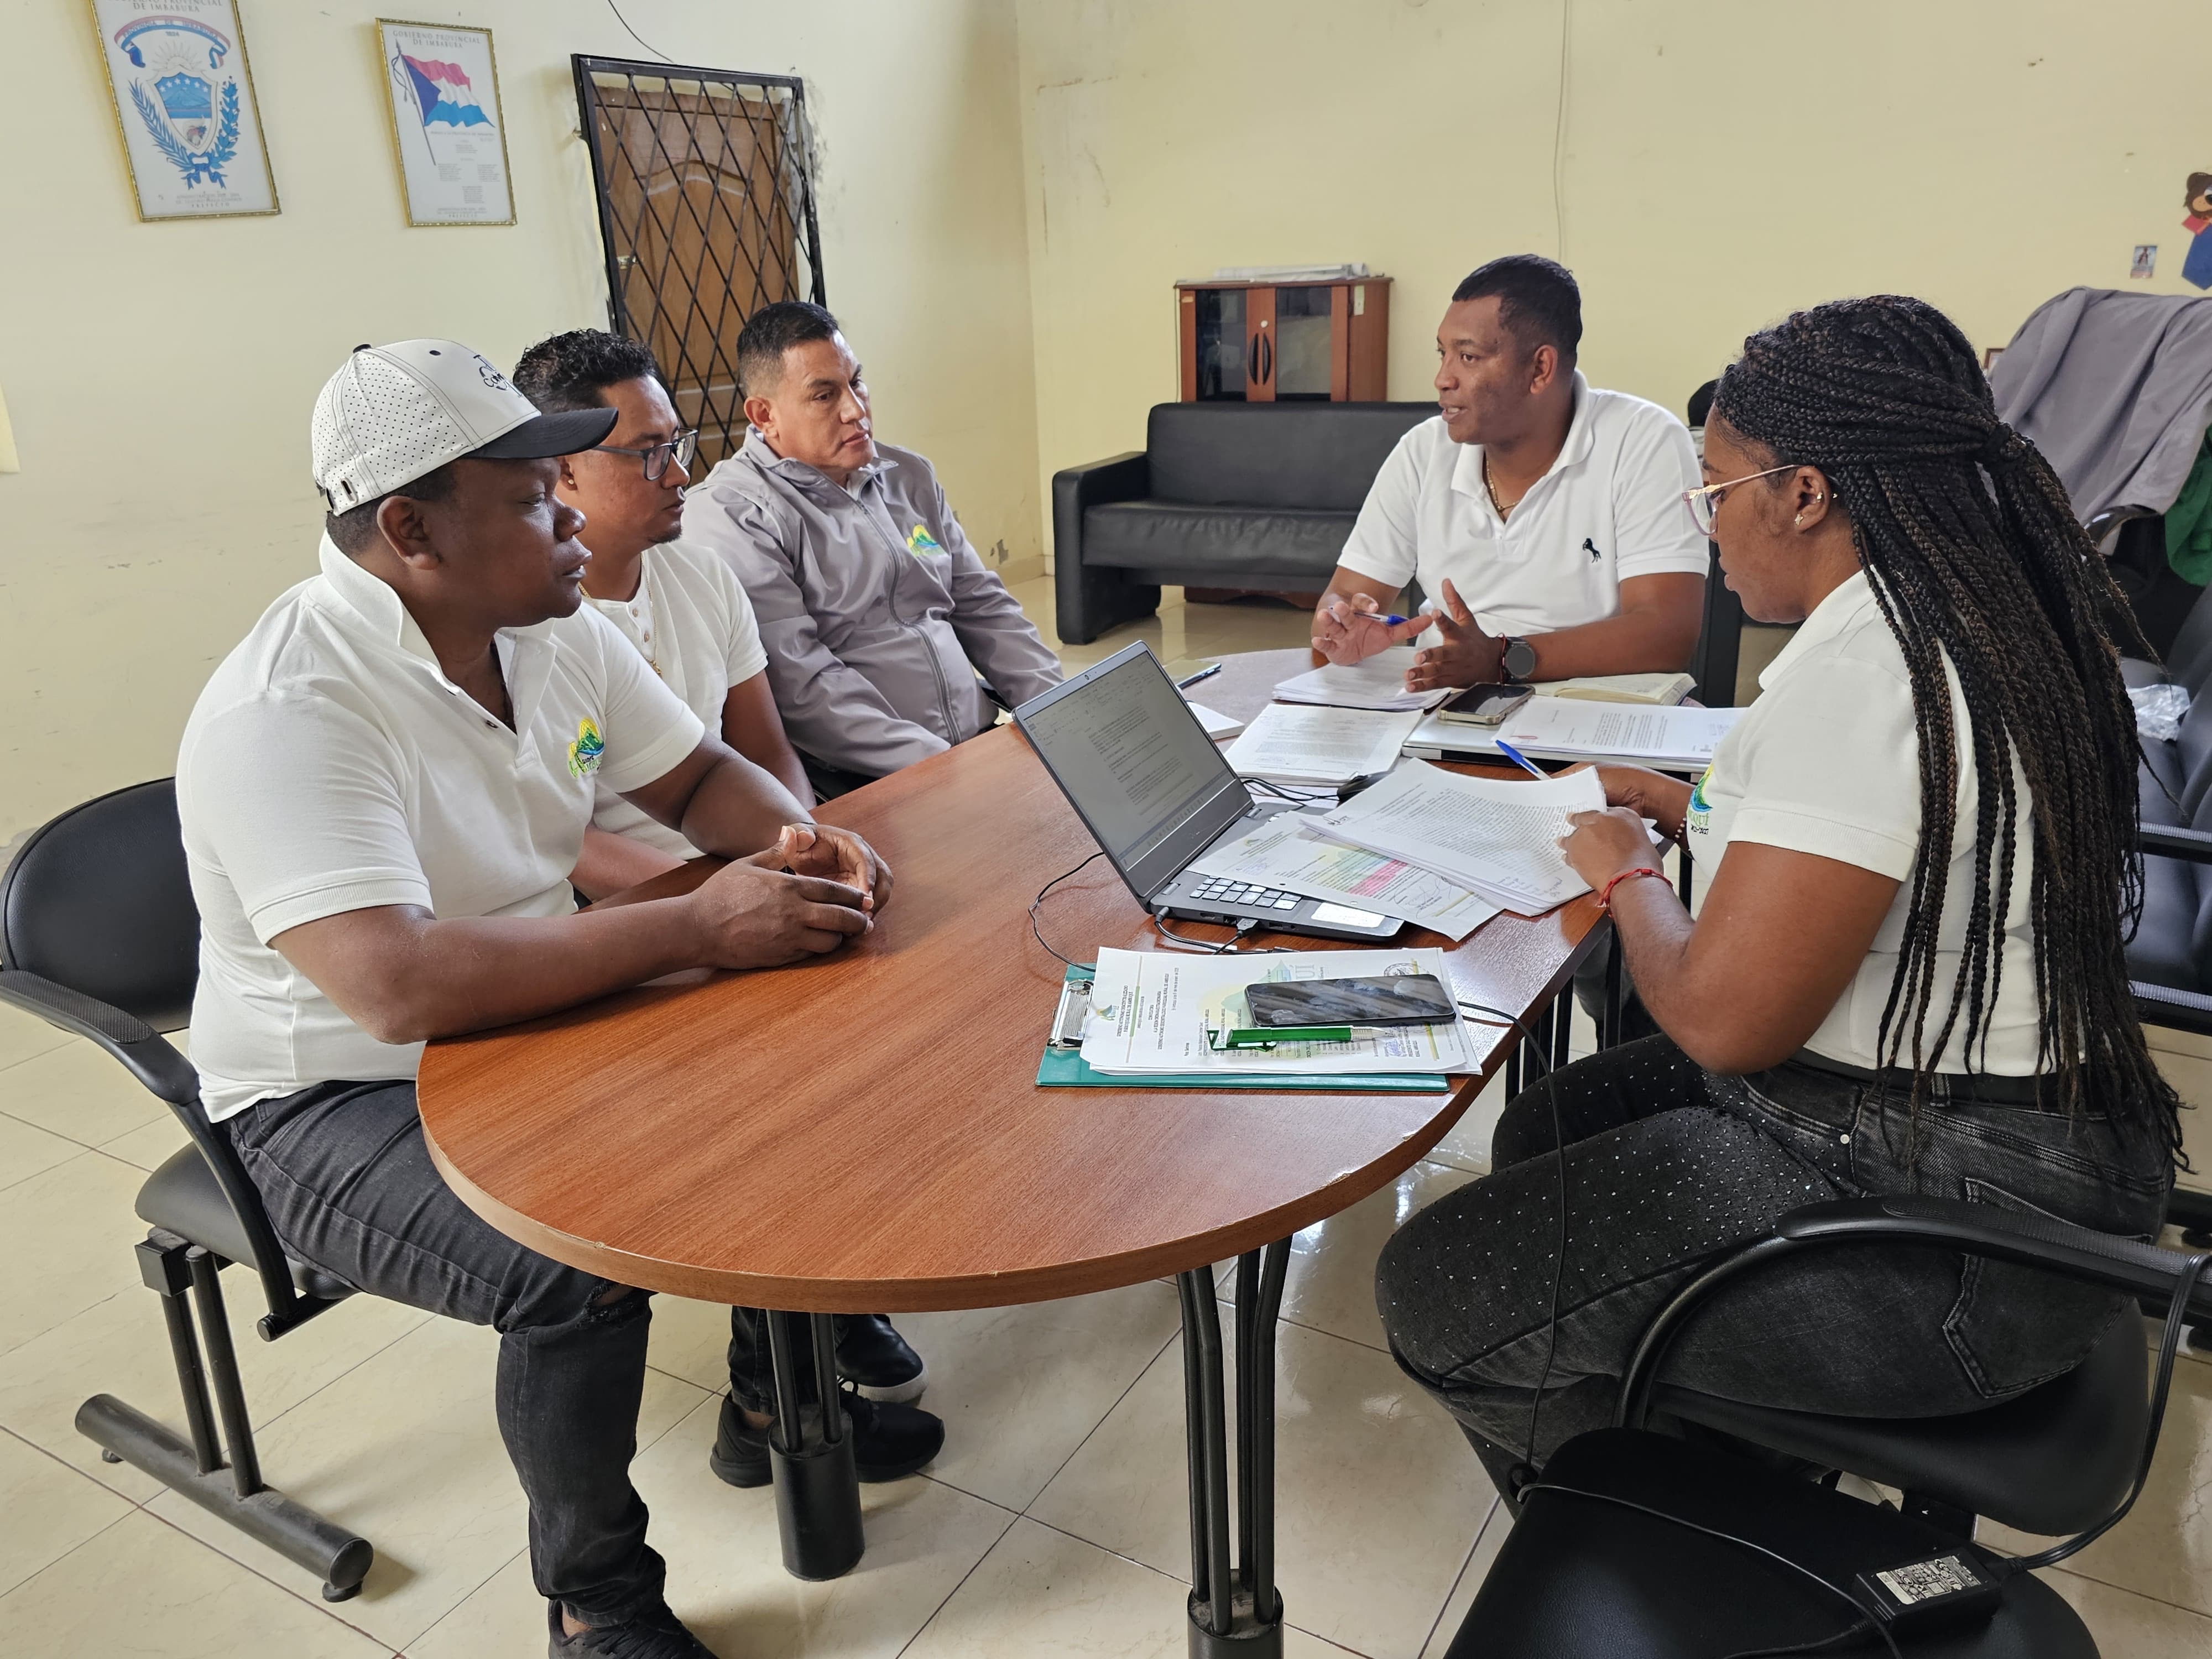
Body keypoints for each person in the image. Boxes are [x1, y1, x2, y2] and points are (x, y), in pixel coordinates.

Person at [178, 340, 933, 1659]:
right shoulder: (291, 705)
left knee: (786, 1079)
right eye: (534, 499)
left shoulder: (548, 630)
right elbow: (395, 984)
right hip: (328, 1094)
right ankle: (596, 1599)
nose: (572, 517)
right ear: (411, 531)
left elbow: (700, 779)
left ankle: (773, 1396)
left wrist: (801, 842)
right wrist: (692, 924)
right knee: (567, 1270)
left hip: (511, 1018)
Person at [1375, 296, 2180, 1504]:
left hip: (1959, 1237)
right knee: (1554, 1122)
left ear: (1804, 494)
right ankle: (1707, 1437)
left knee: (1432, 1292)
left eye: (1714, 491)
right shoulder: (1963, 603)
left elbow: (1722, 1022)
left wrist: (1626, 868)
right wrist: (1688, 805)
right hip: (2011, 1141)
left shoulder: (1869, 669)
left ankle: (1670, 1543)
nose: (1706, 525)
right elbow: (1878, 829)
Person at [512, 326, 938, 1432]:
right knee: (774, 1078)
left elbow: (760, 756)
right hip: (623, 911)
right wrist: (704, 904)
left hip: (725, 870)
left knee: (887, 1003)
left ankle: (824, 1296)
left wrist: (795, 844)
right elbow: (559, 840)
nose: (681, 474)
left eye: (678, 443)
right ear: (559, 474)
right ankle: (769, 1393)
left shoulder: (697, 577)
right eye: (648, 454)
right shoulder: (537, 626)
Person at [681, 300, 1064, 795]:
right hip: (867, 780)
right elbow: (801, 684)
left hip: (974, 746)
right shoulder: (735, 513)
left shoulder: (907, 475)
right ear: (765, 415)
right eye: (825, 395)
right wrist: (946, 769)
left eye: (856, 382)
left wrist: (1062, 708)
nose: (855, 410)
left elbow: (983, 606)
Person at [1311, 255, 1709, 695]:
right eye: (1443, 354)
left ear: (1540, 369)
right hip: (1442, 699)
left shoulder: (1643, 440)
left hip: (1591, 706)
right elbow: (1345, 593)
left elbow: (1666, 633)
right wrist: (1342, 625)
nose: (1443, 378)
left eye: (1468, 356)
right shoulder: (1423, 451)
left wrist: (1502, 659)